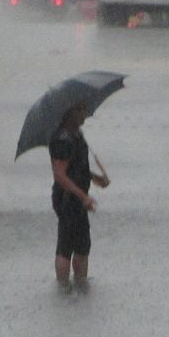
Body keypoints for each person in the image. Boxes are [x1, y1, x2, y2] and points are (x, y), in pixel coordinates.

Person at [49, 101, 110, 291]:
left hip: (77, 198)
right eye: (81, 110)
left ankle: (79, 284)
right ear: (70, 113)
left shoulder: (77, 136)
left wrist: (95, 178)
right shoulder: (63, 139)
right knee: (67, 245)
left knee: (82, 244)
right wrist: (82, 196)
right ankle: (64, 287)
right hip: (67, 199)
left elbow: (77, 168)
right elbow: (59, 174)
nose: (85, 114)